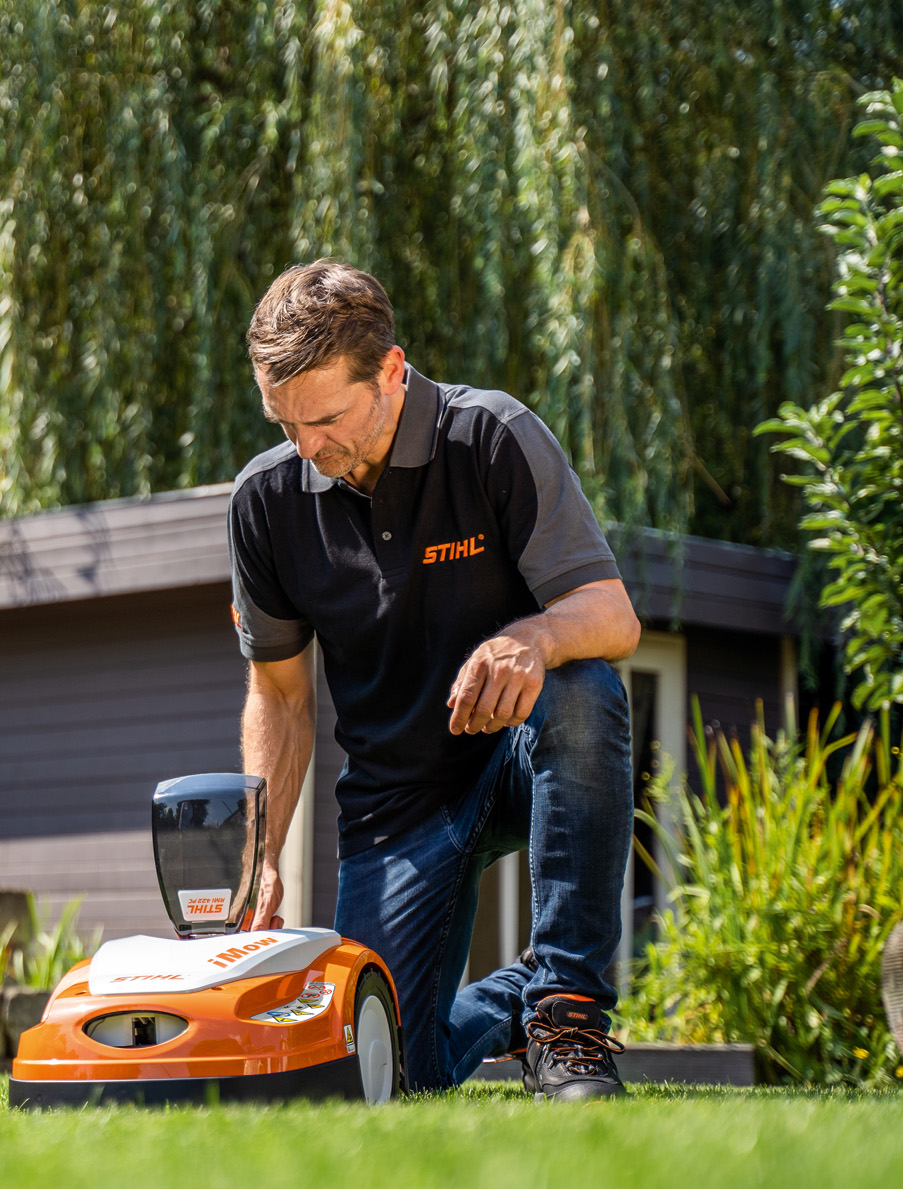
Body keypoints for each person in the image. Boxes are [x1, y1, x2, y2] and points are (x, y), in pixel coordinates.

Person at [229, 260, 641, 1102]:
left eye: (327, 418)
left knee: (584, 692)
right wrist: (260, 859)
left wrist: (534, 638)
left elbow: (612, 615)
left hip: (518, 757)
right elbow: (280, 696)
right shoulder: (265, 502)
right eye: (285, 423)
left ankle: (568, 1021)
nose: (308, 448)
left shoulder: (491, 437)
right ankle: (521, 995)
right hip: (396, 806)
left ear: (390, 370)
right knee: (388, 1073)